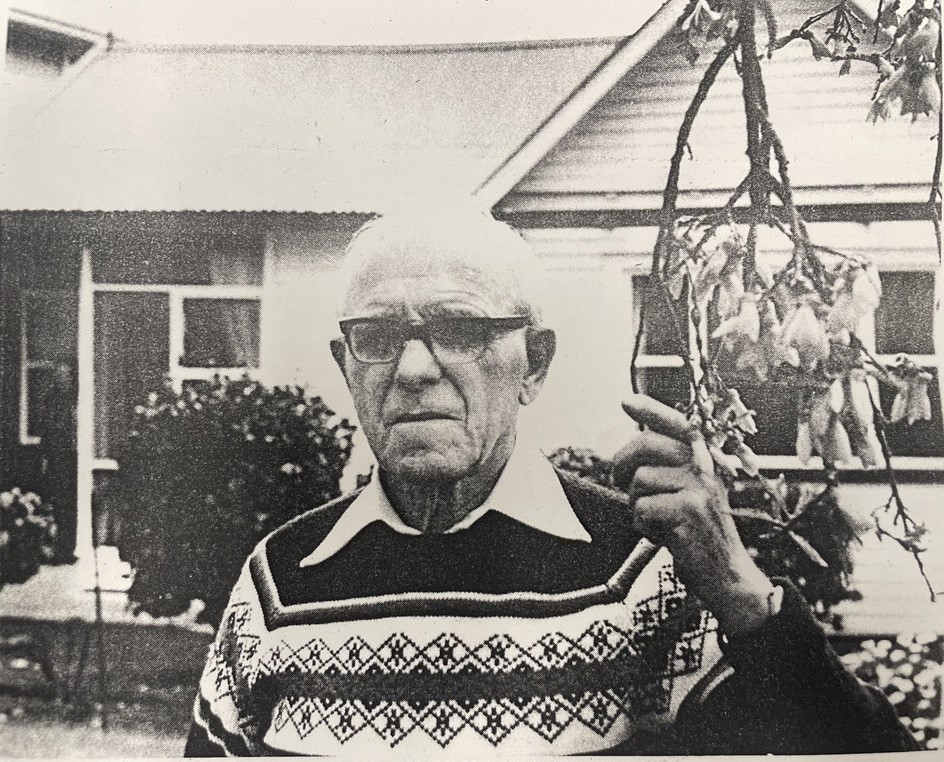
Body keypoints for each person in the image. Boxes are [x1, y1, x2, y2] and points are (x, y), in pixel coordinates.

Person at [185, 204, 916, 756]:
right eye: (376, 339)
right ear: (347, 367)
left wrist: (739, 589)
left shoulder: (641, 574)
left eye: (459, 330)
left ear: (534, 364)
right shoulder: (281, 582)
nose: (411, 370)